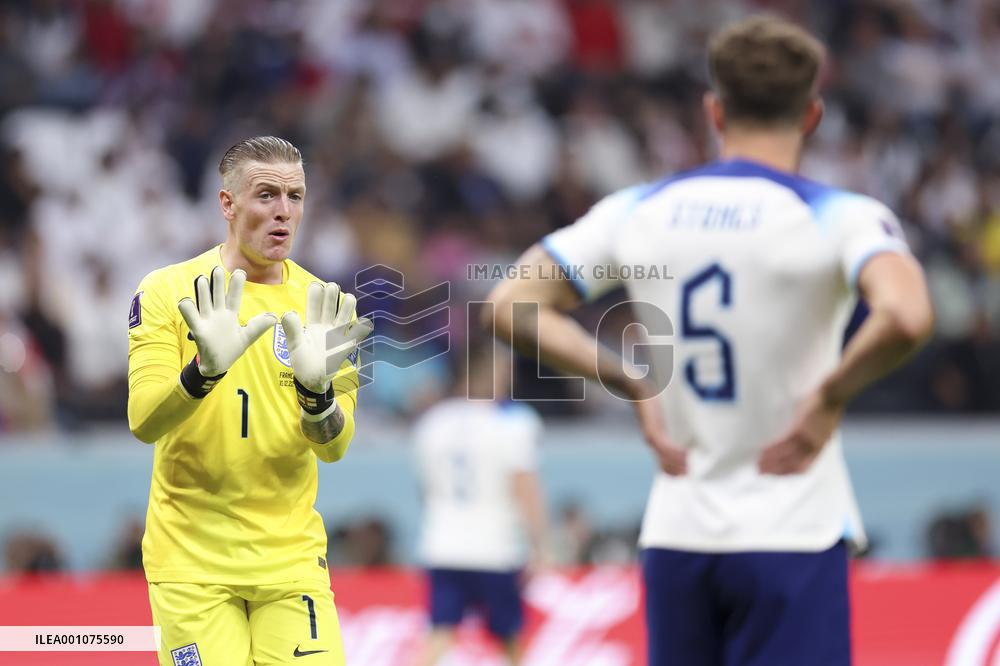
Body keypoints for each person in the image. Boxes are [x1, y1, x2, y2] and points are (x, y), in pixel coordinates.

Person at [487, 16, 934, 666]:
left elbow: (510, 306)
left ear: (714, 110)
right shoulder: (841, 215)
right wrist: (832, 395)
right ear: (811, 115)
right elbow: (908, 315)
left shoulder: (637, 209)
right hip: (793, 528)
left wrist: (632, 380)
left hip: (679, 532)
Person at [127, 136, 373, 666]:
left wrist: (317, 394)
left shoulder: (326, 309)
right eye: (266, 194)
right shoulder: (167, 292)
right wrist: (202, 373)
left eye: (296, 196)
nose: (284, 211)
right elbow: (143, 420)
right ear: (227, 203)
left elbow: (335, 447)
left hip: (290, 562)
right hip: (192, 561)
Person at [413, 343, 550, 666]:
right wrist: (541, 545)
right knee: (511, 638)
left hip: (442, 543)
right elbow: (525, 487)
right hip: (495, 547)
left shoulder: (433, 422)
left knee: (438, 634)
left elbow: (425, 489)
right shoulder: (513, 421)